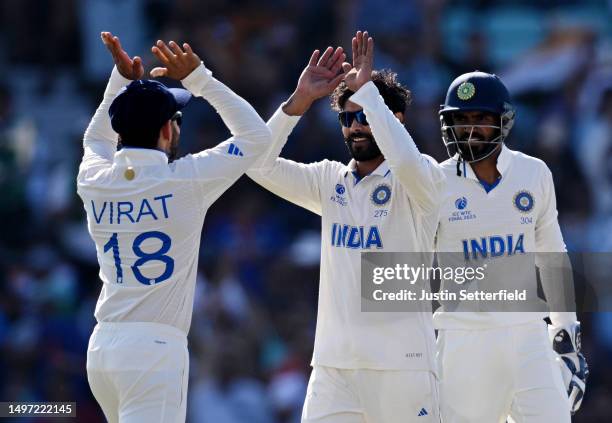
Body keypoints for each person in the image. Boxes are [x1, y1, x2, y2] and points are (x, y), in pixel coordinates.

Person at [247, 31, 445, 422]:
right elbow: (257, 165)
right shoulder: (329, 180)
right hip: (334, 368)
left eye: (365, 117)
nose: (355, 127)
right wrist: (298, 102)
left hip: (401, 367)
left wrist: (370, 95)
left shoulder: (421, 180)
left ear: (393, 120)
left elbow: (404, 161)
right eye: (348, 118)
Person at [77, 32, 271, 422]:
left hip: (103, 348)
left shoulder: (95, 178)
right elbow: (257, 137)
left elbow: (95, 138)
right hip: (154, 349)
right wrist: (199, 78)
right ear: (166, 131)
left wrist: (120, 82)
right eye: (175, 120)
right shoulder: (187, 180)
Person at [433, 70, 588, 423]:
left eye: (481, 119)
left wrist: (566, 333)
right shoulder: (435, 181)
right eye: (461, 120)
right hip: (464, 339)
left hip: (528, 334)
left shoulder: (534, 174)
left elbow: (552, 256)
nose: (470, 130)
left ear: (503, 122)